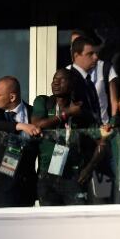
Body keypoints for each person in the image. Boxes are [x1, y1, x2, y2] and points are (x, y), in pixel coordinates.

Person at [28, 69, 97, 207]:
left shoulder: (81, 110)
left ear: (72, 84)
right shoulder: (44, 102)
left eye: (61, 79)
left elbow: (101, 141)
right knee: (49, 223)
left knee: (76, 223)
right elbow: (37, 125)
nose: (55, 83)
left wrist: (89, 169)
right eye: (54, 79)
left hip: (74, 175)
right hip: (46, 174)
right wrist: (67, 114)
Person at [0, 76, 40, 208]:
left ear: (12, 97)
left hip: (25, 182)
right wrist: (22, 126)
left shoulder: (32, 112)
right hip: (1, 182)